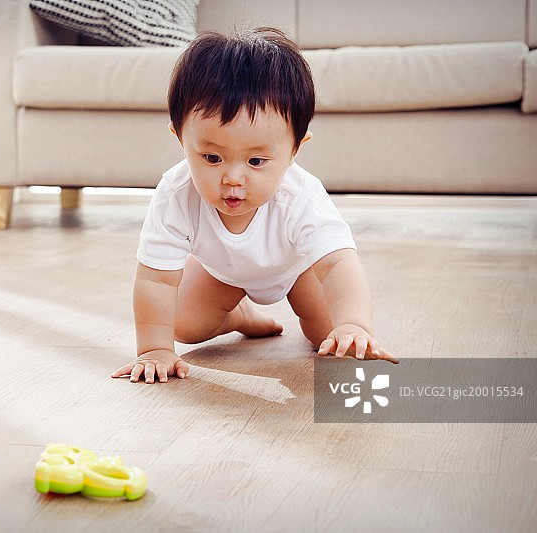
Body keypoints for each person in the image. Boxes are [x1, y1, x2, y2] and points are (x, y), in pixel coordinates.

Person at [111, 27, 399, 385]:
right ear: (180, 138)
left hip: (298, 271)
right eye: (212, 157)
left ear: (295, 148)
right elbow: (156, 277)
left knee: (327, 332)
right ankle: (237, 318)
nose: (233, 178)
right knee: (182, 322)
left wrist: (354, 325)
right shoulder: (176, 192)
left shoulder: (300, 196)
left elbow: (338, 262)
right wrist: (154, 349)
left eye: (256, 161)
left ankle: (324, 322)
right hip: (221, 274)